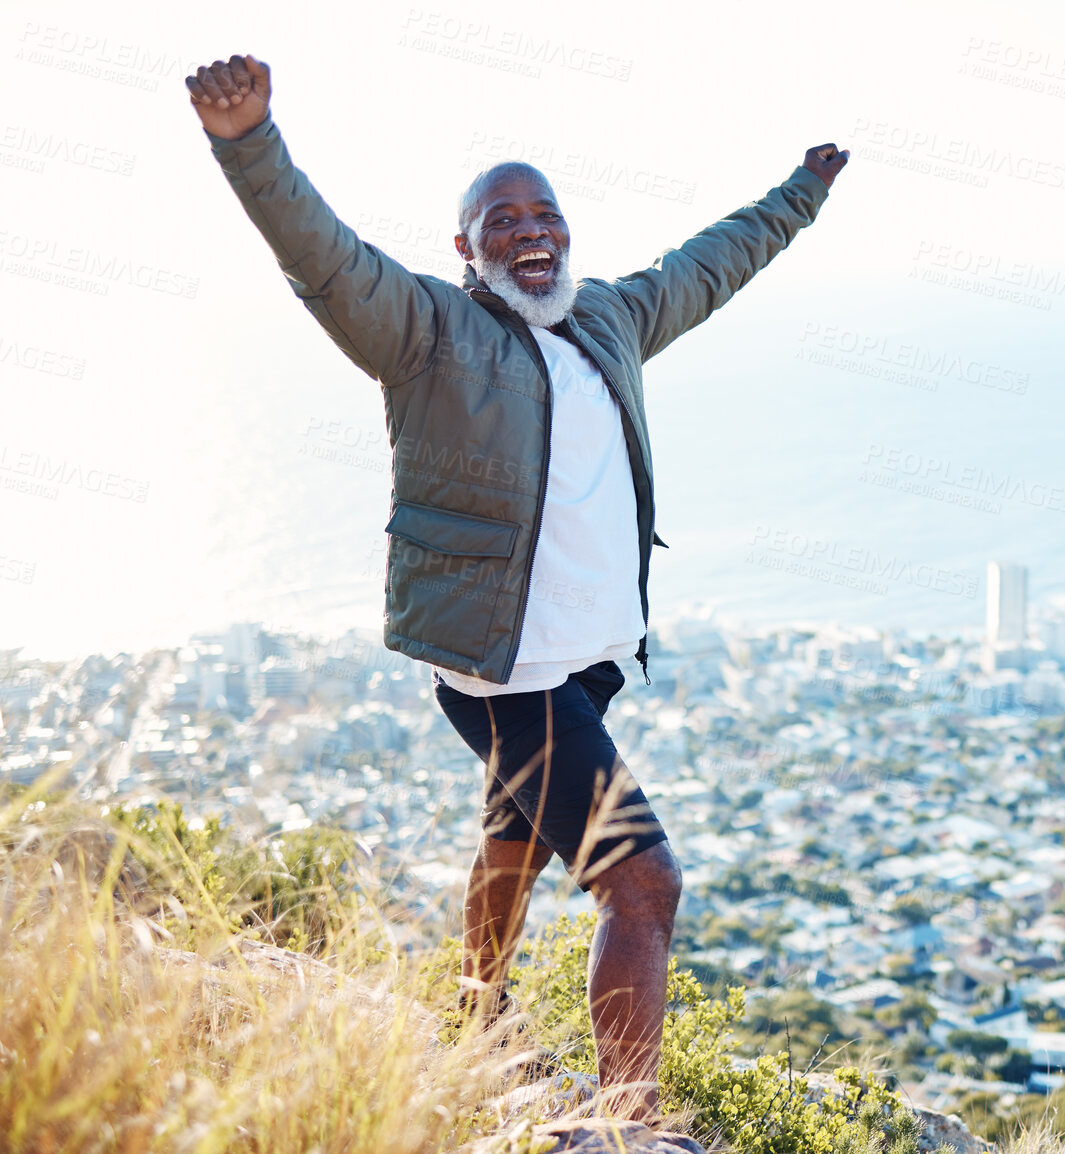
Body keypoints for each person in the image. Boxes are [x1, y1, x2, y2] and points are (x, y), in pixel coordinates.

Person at [185, 53, 847, 1122]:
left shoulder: (609, 319)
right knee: (644, 886)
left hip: (583, 661)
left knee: (516, 829)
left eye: (544, 212)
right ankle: (625, 1126)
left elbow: (710, 264)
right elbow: (325, 258)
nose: (529, 230)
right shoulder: (429, 335)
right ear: (466, 247)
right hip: (507, 670)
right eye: (502, 219)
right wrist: (249, 142)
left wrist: (801, 195)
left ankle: (476, 1004)